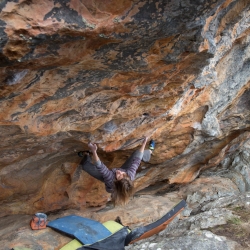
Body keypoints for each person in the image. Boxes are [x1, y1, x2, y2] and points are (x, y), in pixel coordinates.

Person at [76, 137, 155, 206]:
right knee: (138, 154)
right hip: (125, 171)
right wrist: (145, 141)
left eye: (119, 176)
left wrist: (94, 151)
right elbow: (137, 160)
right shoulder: (130, 174)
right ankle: (149, 152)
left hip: (110, 182)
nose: (120, 172)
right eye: (123, 174)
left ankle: (86, 154)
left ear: (116, 180)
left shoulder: (110, 180)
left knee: (85, 166)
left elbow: (100, 166)